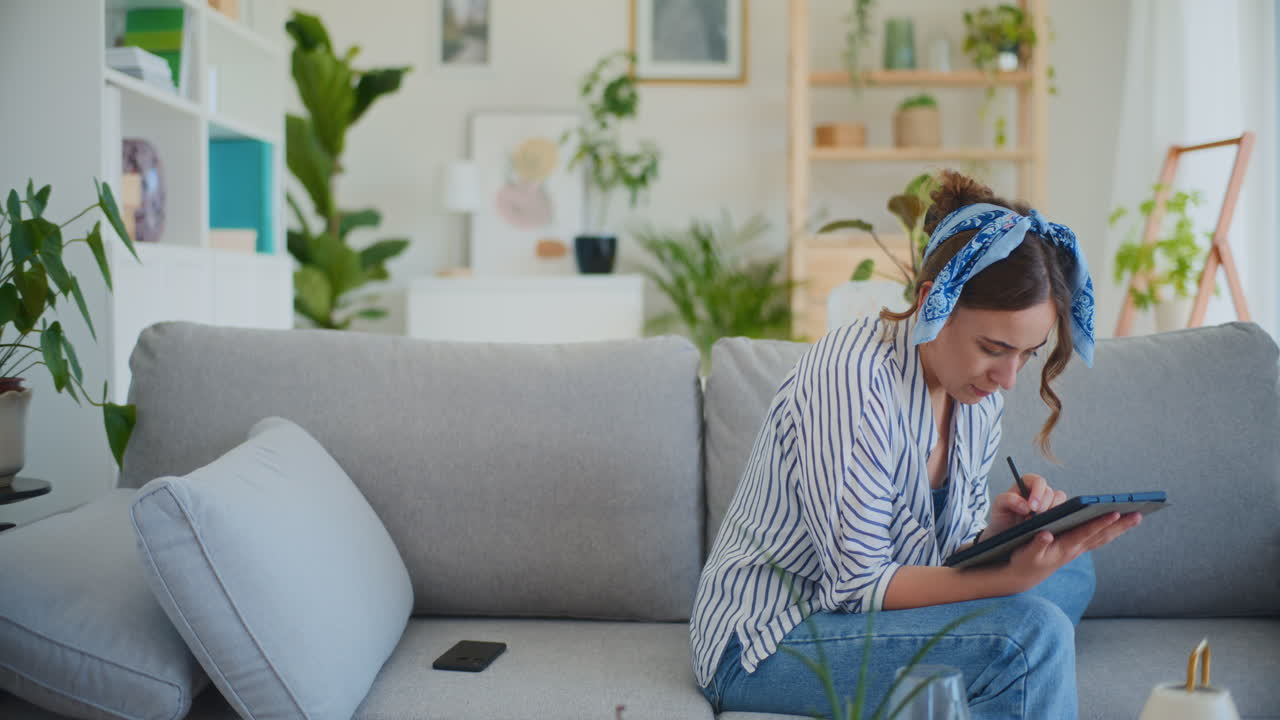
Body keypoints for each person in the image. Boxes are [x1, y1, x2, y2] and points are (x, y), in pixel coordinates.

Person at [689, 171, 1143, 719]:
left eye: (1026, 354)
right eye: (993, 347)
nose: (1008, 378)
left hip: (873, 616)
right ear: (934, 301)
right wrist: (1008, 579)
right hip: (773, 637)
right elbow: (856, 588)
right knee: (1032, 634)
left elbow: (936, 557)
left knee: (1069, 567)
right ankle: (1003, 674)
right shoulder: (850, 378)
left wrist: (994, 535)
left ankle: (983, 686)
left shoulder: (974, 393)